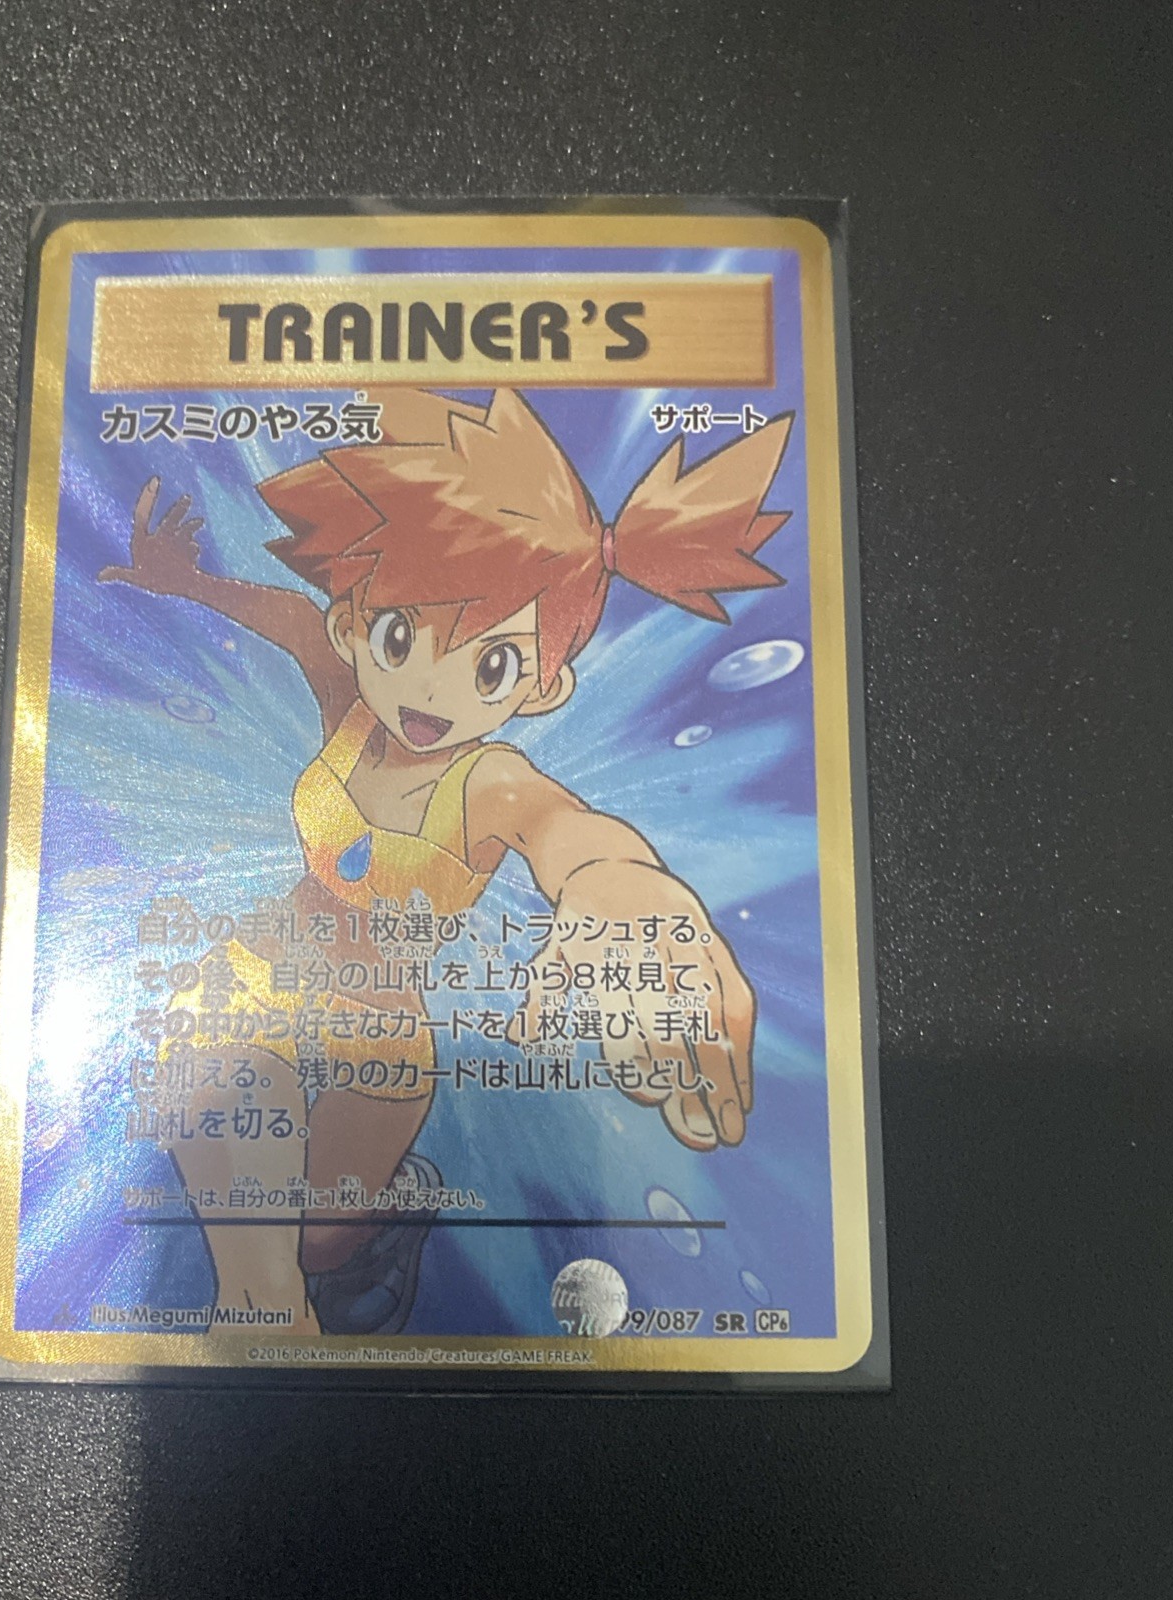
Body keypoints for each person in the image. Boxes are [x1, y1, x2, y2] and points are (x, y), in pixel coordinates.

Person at [101, 388, 793, 1334]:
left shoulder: (489, 782)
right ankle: (260, 1313)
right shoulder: (349, 701)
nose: (432, 688)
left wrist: (620, 885)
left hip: (384, 1033)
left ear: (543, 686)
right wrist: (188, 585)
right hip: (262, 974)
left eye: (492, 664)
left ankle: (376, 1228)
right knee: (237, 1166)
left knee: (322, 1244)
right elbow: (294, 619)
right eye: (401, 636)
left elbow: (564, 827)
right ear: (356, 626)